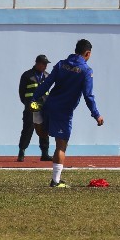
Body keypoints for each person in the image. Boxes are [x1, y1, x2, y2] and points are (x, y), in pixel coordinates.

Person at [31, 39, 104, 188]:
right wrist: (96, 114)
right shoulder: (86, 71)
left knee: (44, 134)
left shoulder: (60, 64)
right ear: (87, 53)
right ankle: (56, 181)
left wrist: (35, 97)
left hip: (49, 104)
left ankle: (37, 116)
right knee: (61, 145)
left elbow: (47, 83)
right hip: (64, 111)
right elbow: (88, 96)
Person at [17, 54, 51, 162]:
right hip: (32, 105)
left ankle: (44, 153)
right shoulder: (27, 75)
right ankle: (21, 152)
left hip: (44, 106)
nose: (45, 66)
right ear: (37, 63)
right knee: (28, 128)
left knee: (44, 129)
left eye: (46, 64)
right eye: (44, 64)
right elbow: (22, 93)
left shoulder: (47, 76)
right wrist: (28, 104)